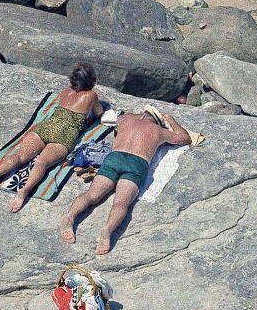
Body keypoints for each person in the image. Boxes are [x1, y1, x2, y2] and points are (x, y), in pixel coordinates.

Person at [61, 105, 191, 254]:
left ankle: (70, 216)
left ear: (142, 112)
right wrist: (172, 122)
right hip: (136, 163)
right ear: (157, 121)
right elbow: (185, 138)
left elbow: (112, 118)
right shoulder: (160, 131)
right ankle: (107, 230)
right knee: (121, 203)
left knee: (91, 195)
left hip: (114, 157)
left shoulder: (124, 119)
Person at [0, 64, 103, 212]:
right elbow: (99, 113)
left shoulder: (64, 92)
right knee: (41, 163)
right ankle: (24, 191)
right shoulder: (91, 96)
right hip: (65, 134)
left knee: (19, 156)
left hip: (46, 127)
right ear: (91, 82)